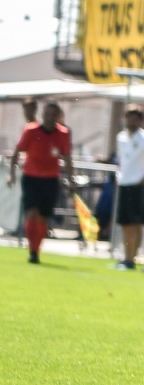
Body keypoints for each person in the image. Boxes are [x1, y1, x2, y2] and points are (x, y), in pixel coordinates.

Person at [10, 101, 72, 264]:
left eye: (53, 115)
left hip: (51, 180)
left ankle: (37, 249)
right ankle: (32, 250)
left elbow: (66, 157)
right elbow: (17, 151)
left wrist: (71, 179)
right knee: (32, 213)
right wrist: (12, 174)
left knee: (44, 218)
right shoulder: (31, 130)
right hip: (31, 177)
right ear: (42, 114)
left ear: (58, 117)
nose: (50, 118)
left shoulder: (63, 133)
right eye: (47, 114)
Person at [111, 106, 144, 269]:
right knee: (125, 223)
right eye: (128, 118)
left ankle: (131, 259)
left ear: (140, 121)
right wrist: (120, 175)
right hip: (124, 184)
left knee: (135, 222)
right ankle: (126, 257)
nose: (131, 122)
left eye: (135, 119)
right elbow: (121, 160)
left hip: (137, 186)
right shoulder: (121, 137)